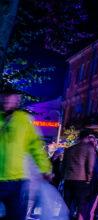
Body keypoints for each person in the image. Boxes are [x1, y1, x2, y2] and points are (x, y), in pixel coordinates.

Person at [0, 90, 52, 220]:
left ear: (17, 101)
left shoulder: (23, 120)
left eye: (11, 99)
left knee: (16, 216)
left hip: (16, 179)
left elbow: (35, 145)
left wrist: (45, 168)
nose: (7, 102)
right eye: (5, 98)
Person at [62, 128, 97, 220]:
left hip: (68, 179)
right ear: (87, 138)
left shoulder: (70, 149)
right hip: (81, 180)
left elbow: (63, 165)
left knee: (67, 205)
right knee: (81, 205)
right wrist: (89, 179)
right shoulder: (89, 148)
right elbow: (90, 165)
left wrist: (63, 176)